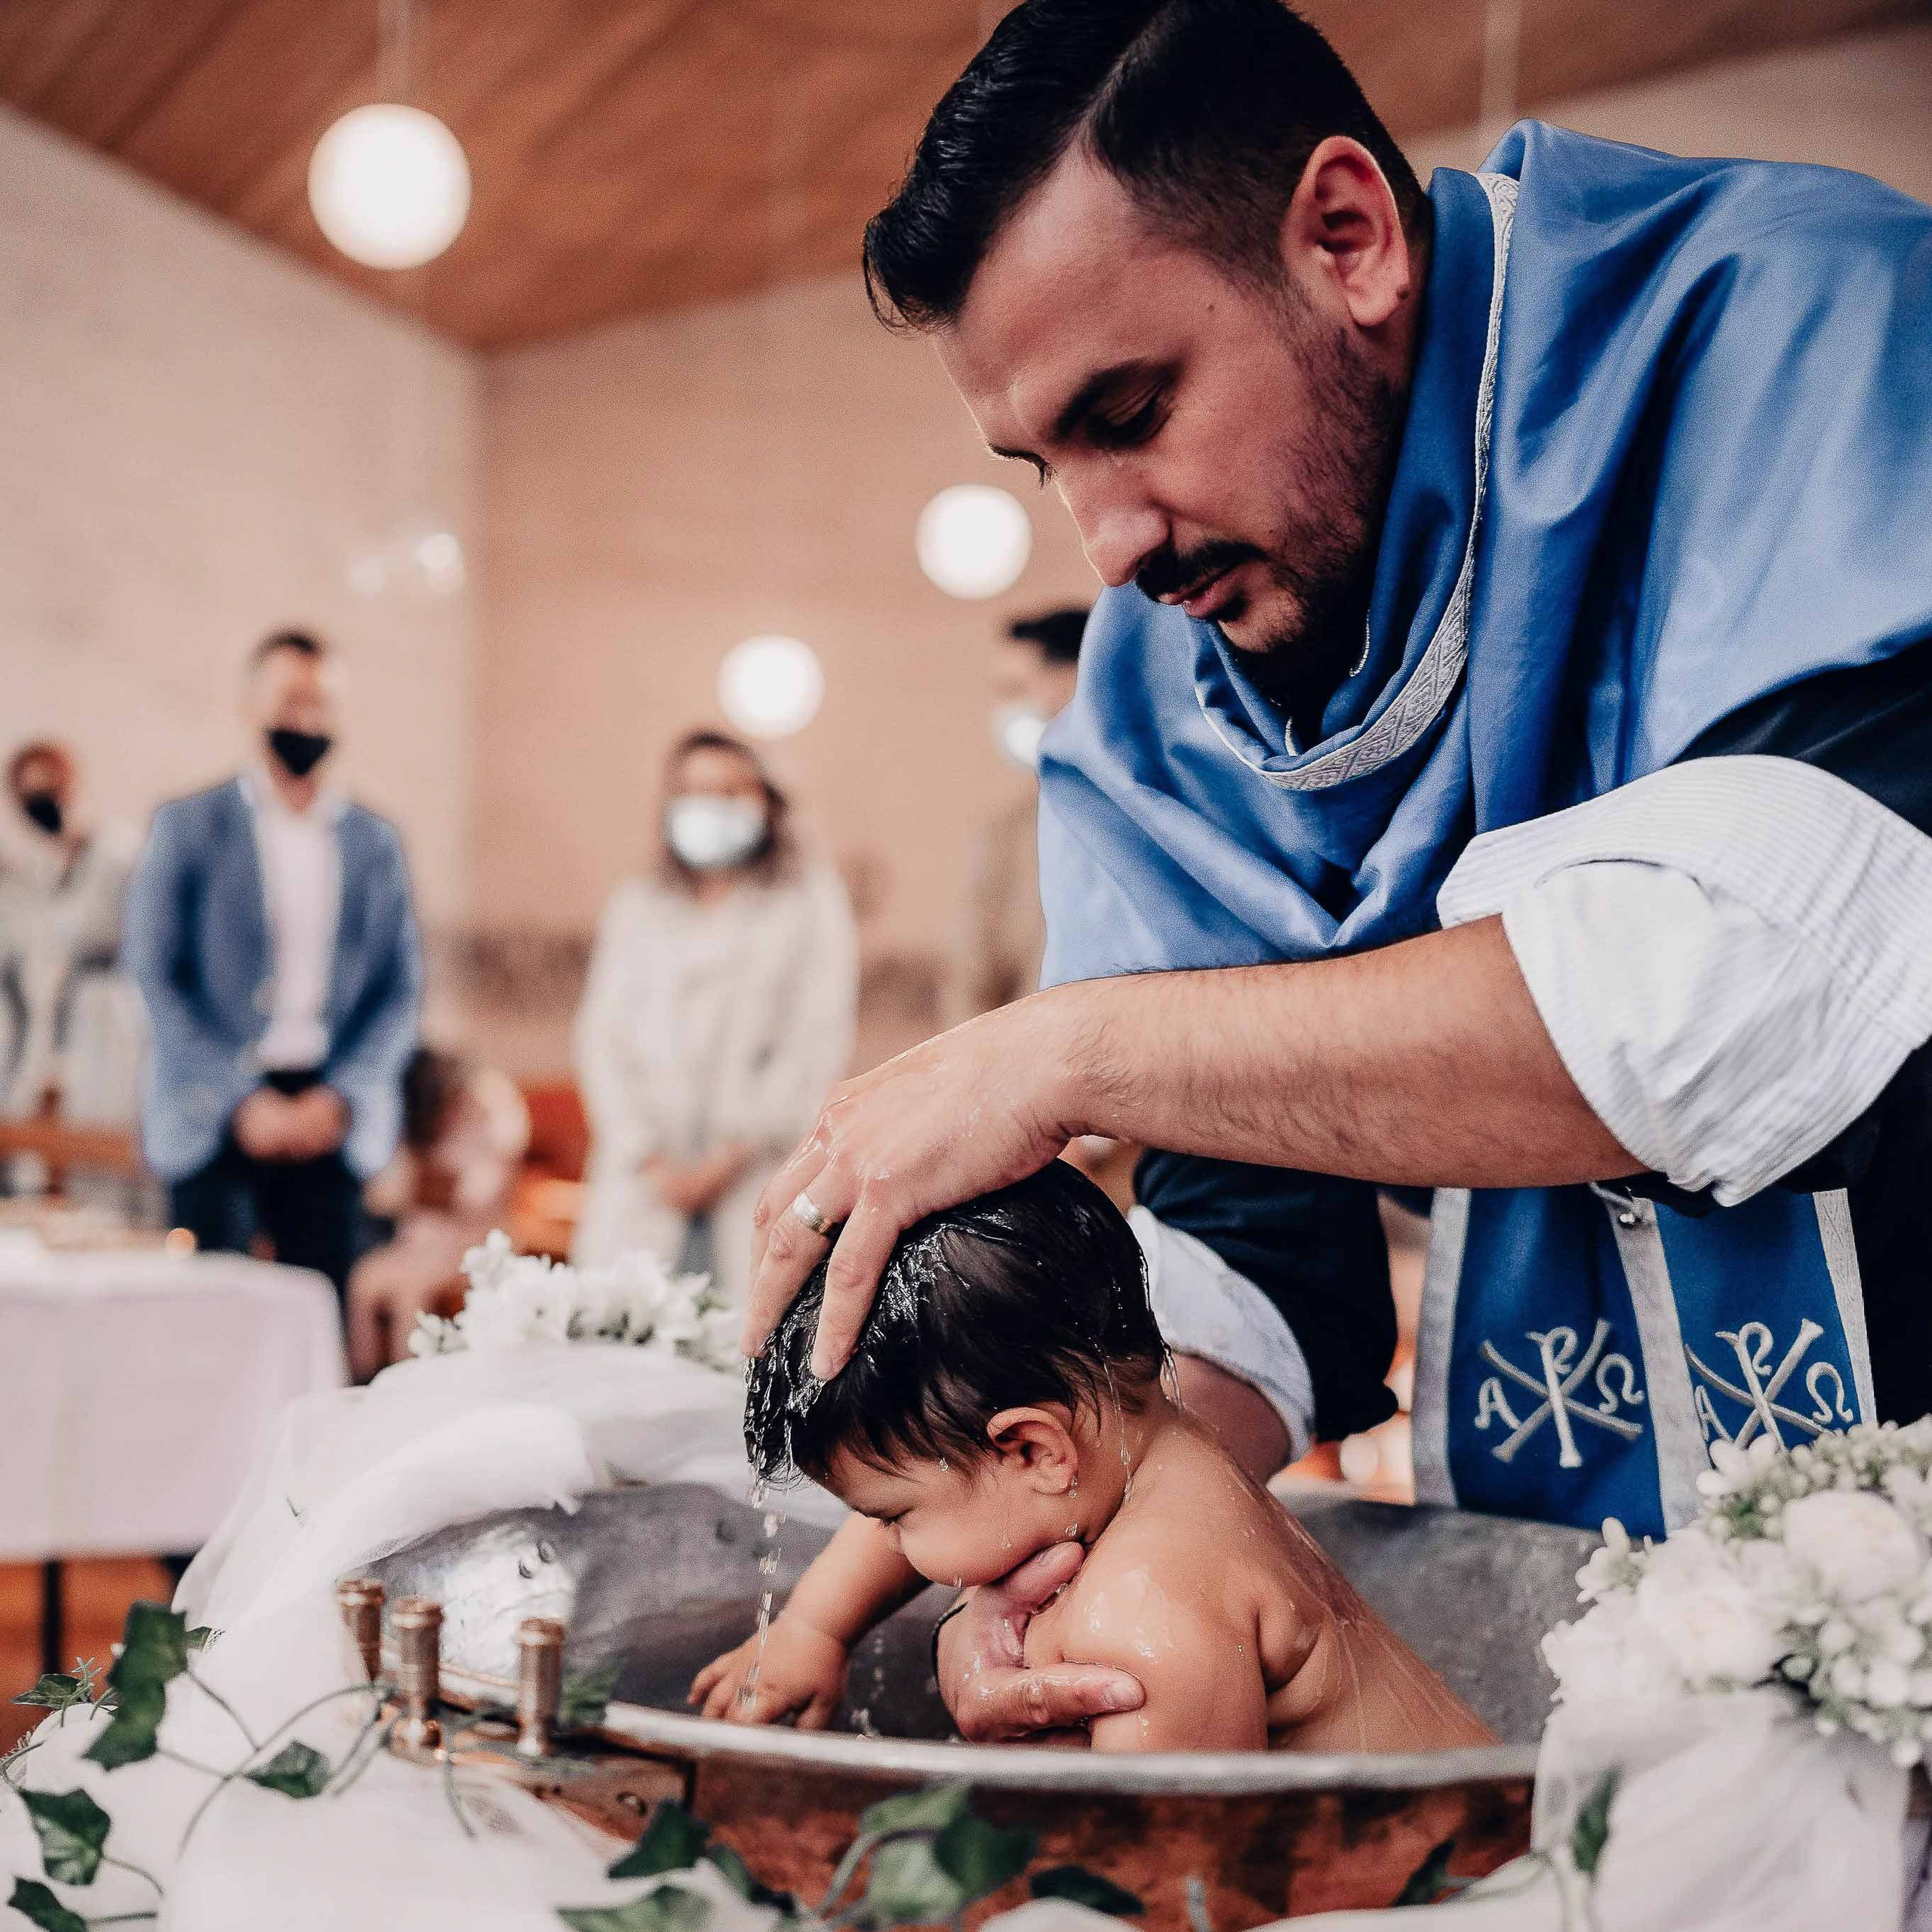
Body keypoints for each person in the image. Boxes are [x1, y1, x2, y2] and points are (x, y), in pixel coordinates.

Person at [738, 0, 1932, 1743]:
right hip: (1602, 1602)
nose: (1110, 546)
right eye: (1043, 464)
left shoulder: (1800, 322)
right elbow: (1246, 1251)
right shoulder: (1162, 685)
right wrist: (1069, 1542)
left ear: (1346, 236)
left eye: (1129, 410)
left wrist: (1061, 1050)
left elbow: (1765, 992)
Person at [696, 1161, 1490, 1752]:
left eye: (895, 1519)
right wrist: (814, 1629)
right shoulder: (1160, 1449)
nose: (897, 1547)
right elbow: (956, 1469)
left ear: (1035, 1448)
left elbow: (1169, 1889)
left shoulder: (1140, 1622)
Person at [122, 631, 421, 1294]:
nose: (306, 719)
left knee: (318, 1321)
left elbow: (401, 991)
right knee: (213, 1323)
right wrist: (241, 1100)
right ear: (250, 706)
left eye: (323, 703)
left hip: (329, 1112)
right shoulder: (188, 826)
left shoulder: (375, 842)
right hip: (216, 1113)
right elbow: (153, 975)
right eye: (291, 700)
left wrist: (339, 1097)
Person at [572, 729, 857, 1308]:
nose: (712, 807)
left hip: (754, 1172)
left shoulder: (807, 903)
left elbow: (815, 1041)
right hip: (643, 1187)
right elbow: (603, 1040)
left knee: (748, 1345)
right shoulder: (638, 905)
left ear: (765, 802)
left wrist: (728, 1156)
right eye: (696, 791)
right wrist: (649, 1156)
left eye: (731, 792)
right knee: (624, 1338)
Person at [346, 1044, 531, 1379]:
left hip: (471, 1246)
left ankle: (412, 1383)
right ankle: (362, 1379)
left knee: (411, 1294)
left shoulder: (490, 1111)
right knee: (363, 1281)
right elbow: (381, 1193)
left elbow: (479, 1194)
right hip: (417, 1244)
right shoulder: (419, 1121)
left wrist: (427, 1189)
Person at [948, 608, 1087, 1024]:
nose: (1004, 711)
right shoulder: (1008, 835)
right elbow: (972, 984)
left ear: (1077, 680)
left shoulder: (1157, 816)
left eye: (1015, 690)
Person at [0, 740, 142, 1128]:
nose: (46, 803)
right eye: (31, 796)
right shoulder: (38, 875)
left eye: (54, 789)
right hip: (52, 1046)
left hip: (114, 1031)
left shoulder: (121, 856)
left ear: (75, 784)